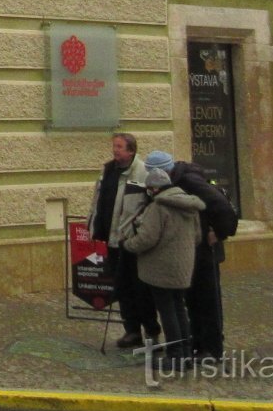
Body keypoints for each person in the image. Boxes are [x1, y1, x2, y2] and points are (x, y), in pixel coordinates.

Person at [147, 150, 238, 360]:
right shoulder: (178, 180)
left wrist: (219, 233)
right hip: (190, 250)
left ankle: (212, 349)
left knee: (207, 301)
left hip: (206, 251)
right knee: (193, 300)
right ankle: (198, 345)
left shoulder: (190, 181)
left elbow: (223, 208)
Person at [116, 166, 204, 368]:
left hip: (160, 269)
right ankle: (186, 354)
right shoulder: (189, 204)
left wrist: (127, 245)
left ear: (155, 189)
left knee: (167, 311)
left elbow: (147, 239)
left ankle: (174, 356)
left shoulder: (158, 207)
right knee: (180, 309)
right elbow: (197, 237)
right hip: (183, 267)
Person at [87, 132, 157, 349]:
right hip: (111, 239)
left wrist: (139, 228)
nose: (115, 150)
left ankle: (152, 332)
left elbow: (153, 206)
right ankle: (131, 330)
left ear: (131, 151)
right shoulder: (108, 170)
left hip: (132, 242)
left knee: (140, 289)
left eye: (119, 146)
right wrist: (92, 226)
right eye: (114, 146)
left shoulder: (144, 173)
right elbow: (97, 201)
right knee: (121, 288)